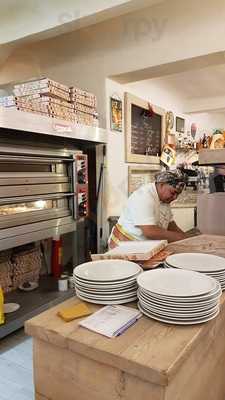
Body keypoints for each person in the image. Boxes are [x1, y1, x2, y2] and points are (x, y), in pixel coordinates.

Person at [108, 169, 187, 249]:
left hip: (142, 247)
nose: (175, 197)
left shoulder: (164, 200)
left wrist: (187, 239)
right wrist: (181, 238)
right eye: (173, 193)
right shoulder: (144, 196)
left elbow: (170, 224)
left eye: (178, 194)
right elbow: (150, 232)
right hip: (123, 247)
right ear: (161, 184)